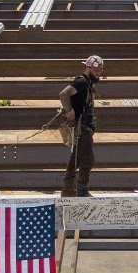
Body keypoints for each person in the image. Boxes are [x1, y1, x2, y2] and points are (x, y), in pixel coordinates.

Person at [58, 55, 104, 197]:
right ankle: (82, 191)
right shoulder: (81, 82)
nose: (99, 73)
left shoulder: (89, 83)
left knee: (76, 159)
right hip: (81, 126)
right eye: (96, 70)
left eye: (100, 70)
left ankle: (67, 189)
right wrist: (70, 112)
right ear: (88, 68)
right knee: (88, 159)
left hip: (85, 126)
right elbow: (63, 94)